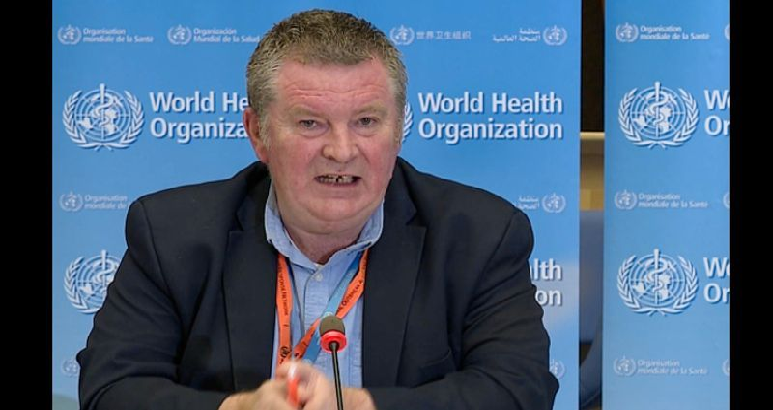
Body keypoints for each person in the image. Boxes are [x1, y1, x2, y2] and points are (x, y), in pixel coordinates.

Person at [77, 9, 558, 410]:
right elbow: (110, 389)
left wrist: (359, 406)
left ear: (398, 130)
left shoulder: (479, 236)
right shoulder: (173, 235)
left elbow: (521, 390)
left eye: (366, 121)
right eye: (311, 123)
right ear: (258, 133)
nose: (342, 150)